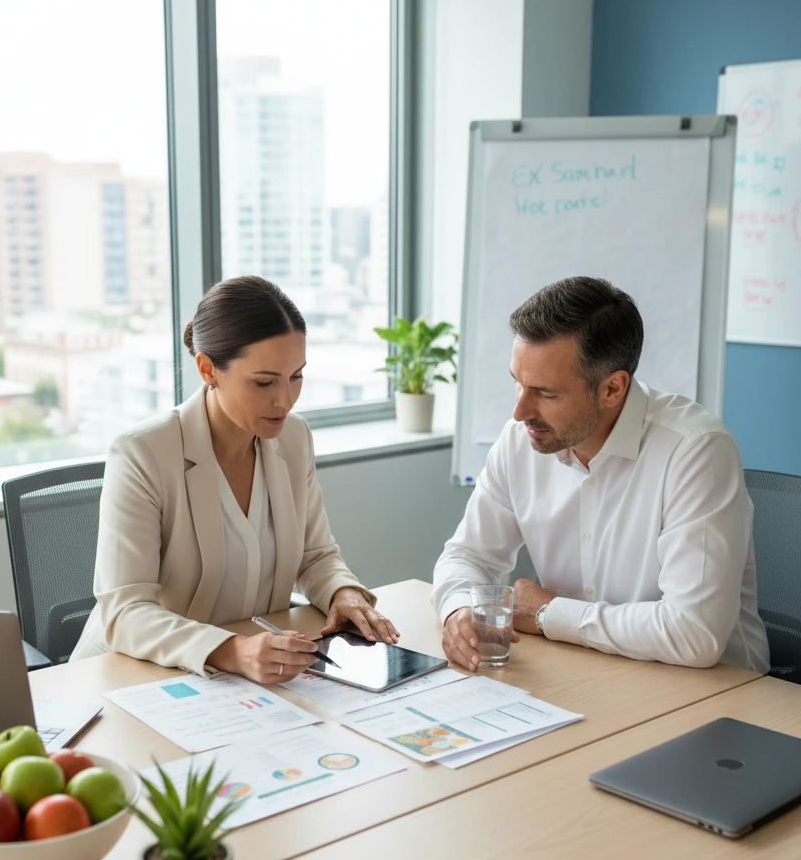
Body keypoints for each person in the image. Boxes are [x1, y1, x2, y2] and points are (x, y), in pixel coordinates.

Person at [433, 276, 769, 675]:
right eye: (518, 384)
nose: (520, 412)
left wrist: (547, 614)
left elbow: (693, 634)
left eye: (546, 393)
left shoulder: (695, 451)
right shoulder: (520, 441)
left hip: (717, 693)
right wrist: (459, 610)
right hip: (589, 670)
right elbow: (466, 555)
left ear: (612, 389)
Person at [72, 275, 399, 683]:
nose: (285, 400)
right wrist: (231, 650)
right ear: (208, 369)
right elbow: (124, 612)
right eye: (264, 382)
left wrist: (341, 592)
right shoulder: (143, 453)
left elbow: (315, 556)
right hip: (134, 675)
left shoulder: (294, 438)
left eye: (296, 376)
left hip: (243, 680)